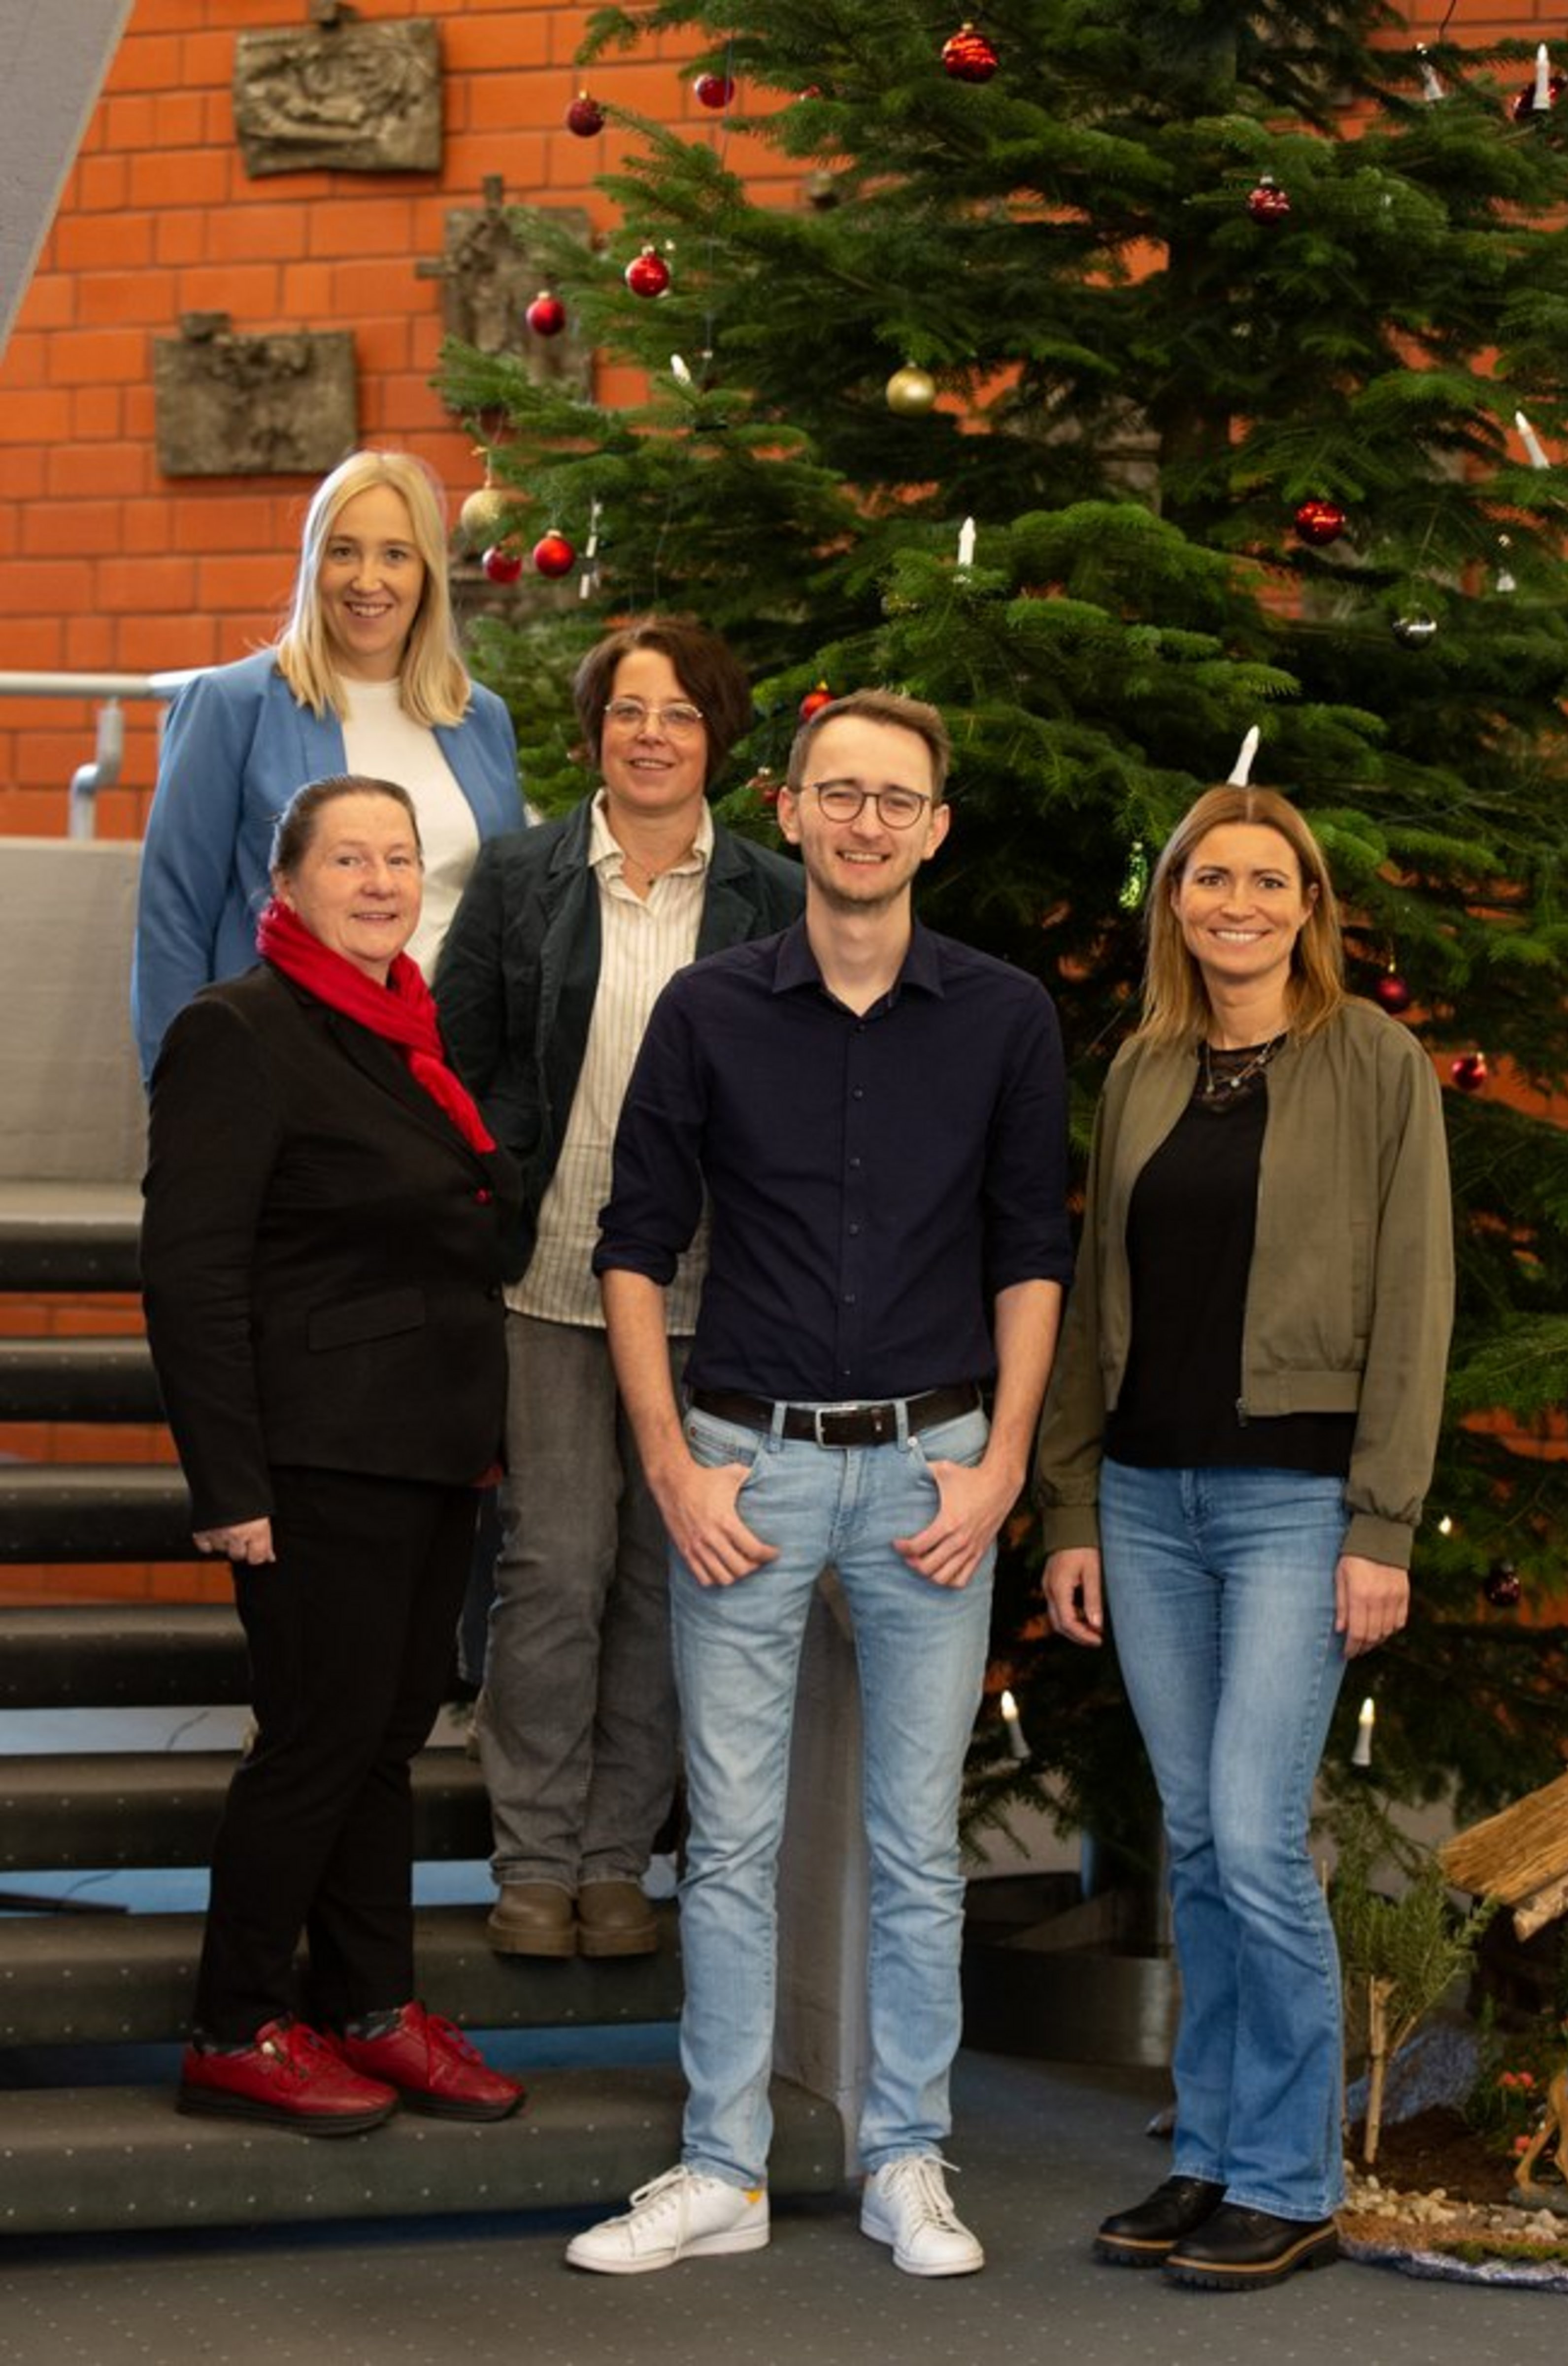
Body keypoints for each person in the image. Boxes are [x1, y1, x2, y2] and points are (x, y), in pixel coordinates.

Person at [567, 689, 1072, 2276]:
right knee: (729, 1842)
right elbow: (632, 1248)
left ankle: (906, 2157)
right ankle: (719, 2166)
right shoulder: (711, 1010)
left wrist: (1000, 1466)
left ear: (936, 827)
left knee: (920, 1845)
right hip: (744, 1470)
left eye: (896, 798)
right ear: (784, 810)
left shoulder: (1004, 1016)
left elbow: (1032, 1256)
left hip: (935, 1476)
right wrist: (670, 1463)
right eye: (837, 793)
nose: (864, 821)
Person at [1036, 784, 1453, 2291]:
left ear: (1307, 902)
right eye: (1211, 876)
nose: (1238, 902)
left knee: (1260, 1838)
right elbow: (1093, 1306)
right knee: (1199, 1836)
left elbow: (1416, 1301)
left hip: (1297, 1502)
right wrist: (1071, 1506)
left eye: (1267, 880)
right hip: (1149, 1500)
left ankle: (1292, 2171)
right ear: (1177, 902)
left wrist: (1384, 1523)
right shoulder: (1144, 1068)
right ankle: (1210, 2149)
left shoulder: (1375, 1061)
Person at [140, 773, 526, 2134]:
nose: (379, 880)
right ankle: (235, 2021)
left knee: (382, 1743)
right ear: (289, 881)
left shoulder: (400, 1032)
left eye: (400, 859)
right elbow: (189, 1274)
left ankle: (370, 2005)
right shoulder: (238, 1030)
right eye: (349, 858)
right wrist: (228, 1487)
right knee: (316, 1740)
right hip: (312, 1458)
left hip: (425, 1453)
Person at [434, 617, 804, 1961]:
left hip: (716, 1289)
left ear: (718, 736)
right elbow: (456, 1053)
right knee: (556, 1561)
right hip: (546, 1272)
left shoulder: (772, 890)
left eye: (682, 712)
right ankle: (532, 1853)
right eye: (628, 710)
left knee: (668, 1575)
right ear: (594, 732)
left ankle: (614, 1856)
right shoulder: (523, 875)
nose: (652, 733)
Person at [132, 447, 522, 1082]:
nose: (368, 580)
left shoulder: (480, 719)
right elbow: (173, 917)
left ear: (427, 572)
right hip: (281, 1074)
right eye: (344, 551)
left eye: (395, 554)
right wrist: (179, 1092)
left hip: (448, 1075)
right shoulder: (232, 706)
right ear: (315, 564)